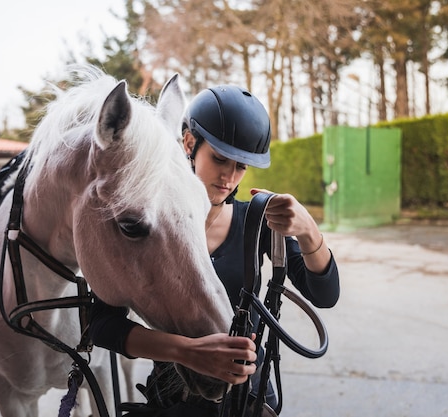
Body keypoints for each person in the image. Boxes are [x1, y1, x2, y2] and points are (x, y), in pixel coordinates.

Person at [89, 85, 340, 416]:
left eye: (241, 167)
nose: (229, 177)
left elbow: (324, 294)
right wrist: (184, 351)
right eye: (220, 159)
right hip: (170, 397)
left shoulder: (255, 221)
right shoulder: (152, 224)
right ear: (190, 144)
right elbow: (101, 324)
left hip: (246, 397)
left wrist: (308, 231)